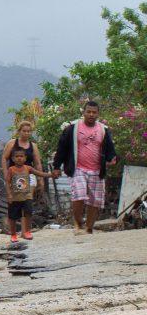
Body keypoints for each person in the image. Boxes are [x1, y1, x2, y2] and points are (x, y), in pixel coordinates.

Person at [51, 100, 118, 235]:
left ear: (98, 114)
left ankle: (89, 228)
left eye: (94, 112)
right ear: (84, 112)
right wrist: (57, 166)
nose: (91, 114)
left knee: (95, 201)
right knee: (79, 196)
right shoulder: (72, 129)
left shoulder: (103, 130)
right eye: (89, 112)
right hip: (78, 169)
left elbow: (110, 148)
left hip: (97, 170)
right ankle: (78, 224)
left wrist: (113, 158)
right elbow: (62, 148)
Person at [6, 146, 52, 242]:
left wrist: (51, 175)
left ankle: (27, 231)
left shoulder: (28, 168)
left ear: (25, 158)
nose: (19, 158)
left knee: (28, 214)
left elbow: (40, 173)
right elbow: (7, 182)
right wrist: (9, 195)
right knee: (13, 217)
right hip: (15, 198)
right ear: (13, 158)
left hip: (26, 197)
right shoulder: (11, 169)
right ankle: (13, 234)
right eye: (17, 156)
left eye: (21, 156)